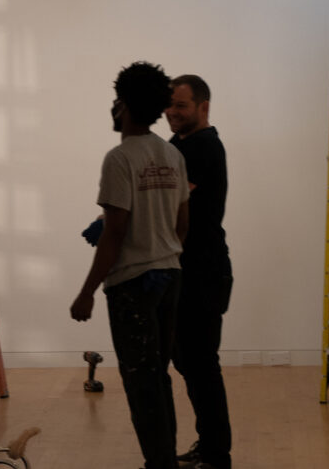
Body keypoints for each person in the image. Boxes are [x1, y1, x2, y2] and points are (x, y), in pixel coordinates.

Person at [71, 61, 190, 469]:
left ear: (122, 104)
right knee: (157, 374)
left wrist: (86, 291)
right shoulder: (171, 154)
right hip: (170, 276)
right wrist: (164, 250)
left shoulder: (119, 158)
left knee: (141, 381)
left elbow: (116, 232)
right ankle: (165, 461)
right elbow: (182, 223)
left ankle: (159, 464)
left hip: (133, 286)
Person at [165, 75, 232, 469]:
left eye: (182, 106)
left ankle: (216, 456)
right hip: (186, 273)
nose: (172, 112)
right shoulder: (179, 145)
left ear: (204, 106)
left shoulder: (205, 147)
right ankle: (209, 448)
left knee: (201, 366)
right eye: (169, 105)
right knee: (190, 364)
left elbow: (167, 204)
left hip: (204, 274)